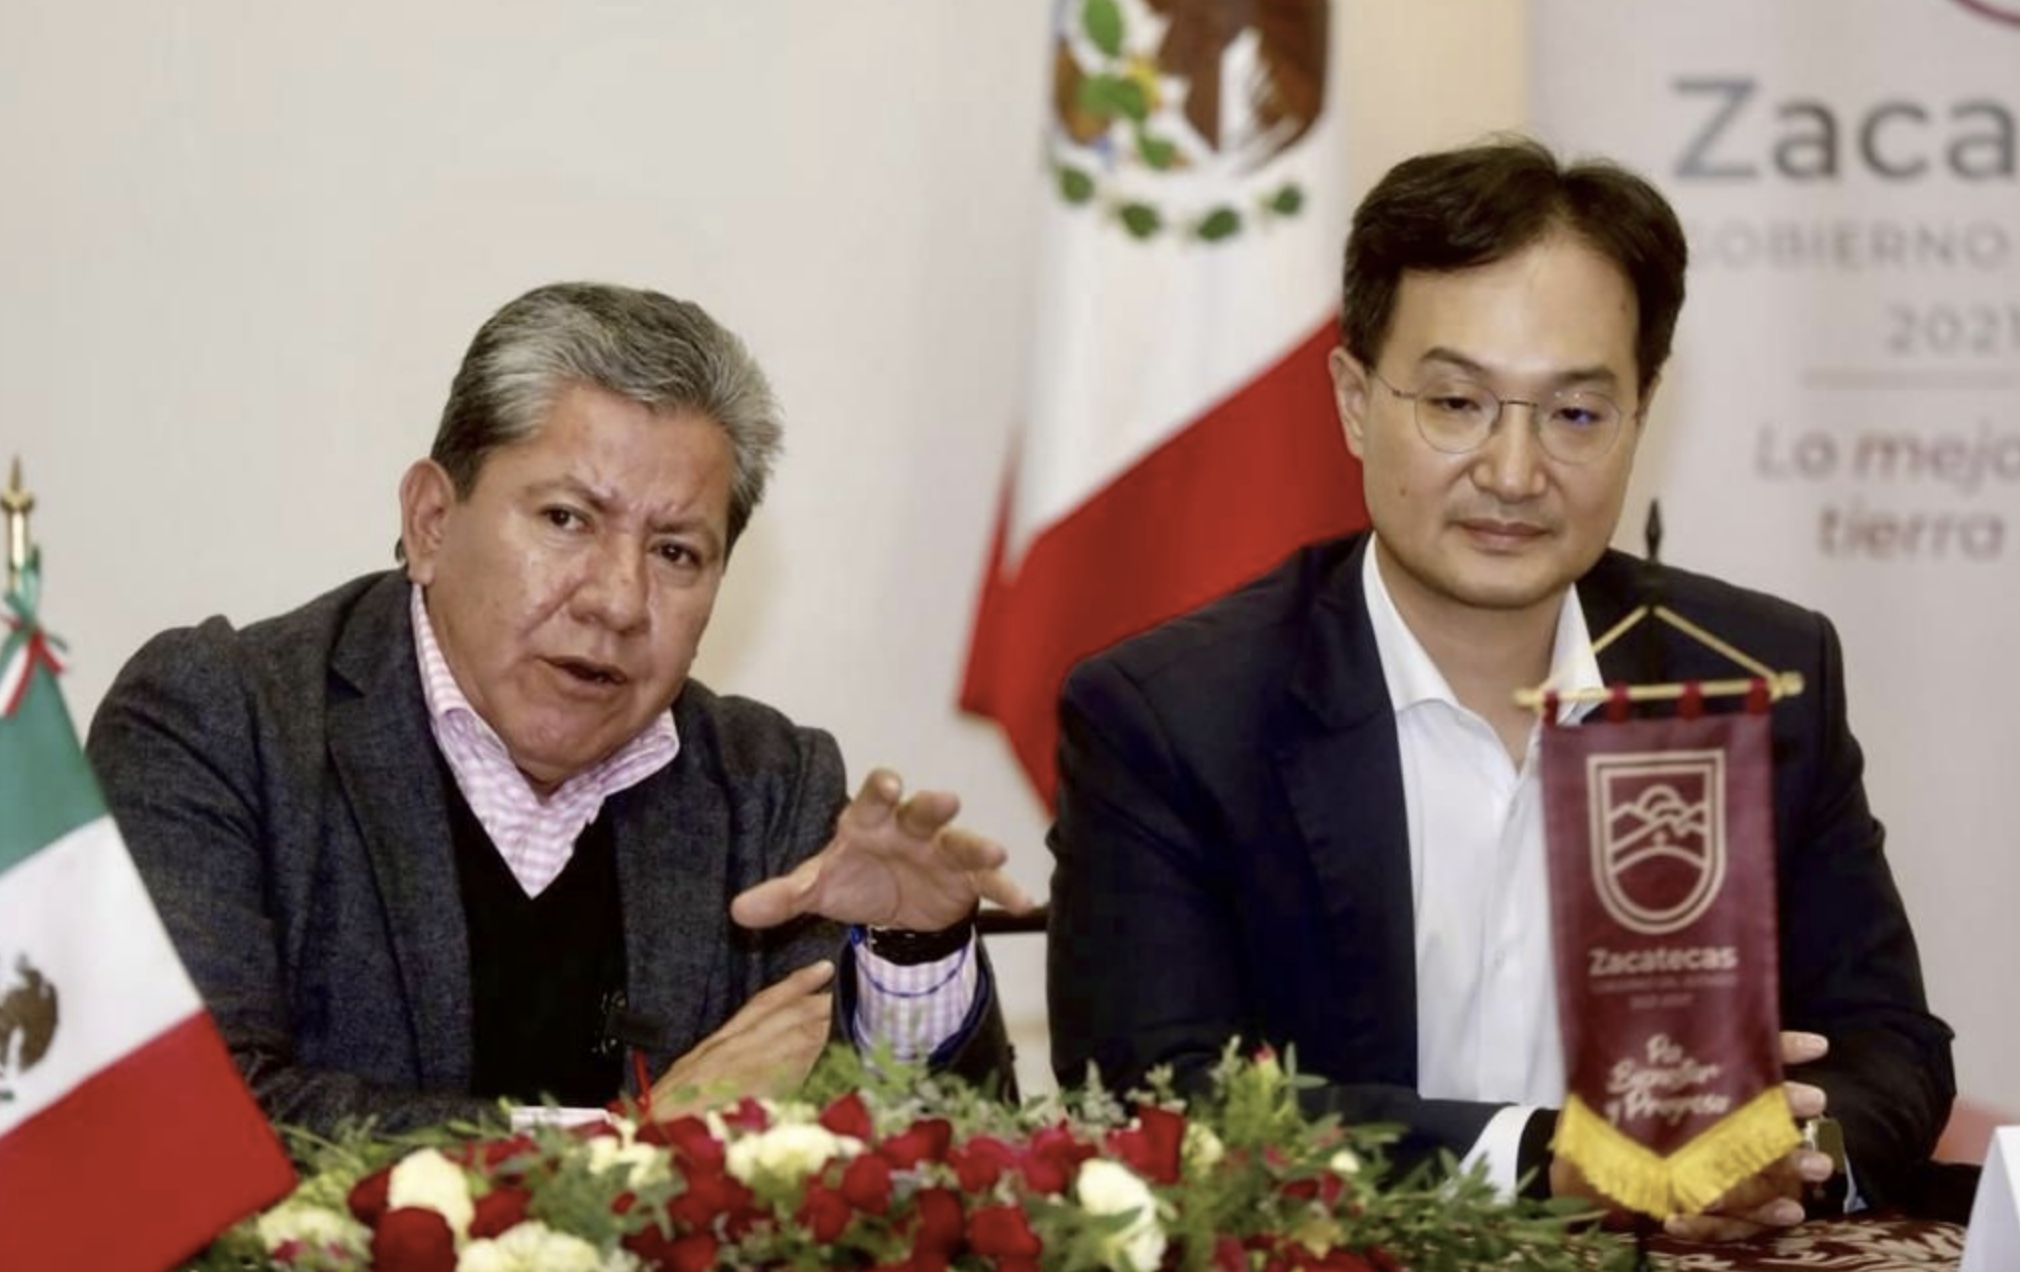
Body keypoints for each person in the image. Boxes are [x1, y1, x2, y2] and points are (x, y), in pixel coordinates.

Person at [1045, 138, 1954, 1241]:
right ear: (1353, 401)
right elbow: (1159, 1101)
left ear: (1640, 412)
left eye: (1575, 414)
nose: (1515, 473)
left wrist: (1782, 1156)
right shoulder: (1175, 717)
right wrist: (1550, 1167)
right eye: (1456, 402)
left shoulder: (1753, 674)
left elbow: (1888, 1043)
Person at [88, 282, 1033, 1137]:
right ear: (431, 521)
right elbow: (195, 1125)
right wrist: (638, 1139)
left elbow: (919, 1182)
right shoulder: (221, 724)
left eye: (675, 552)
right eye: (566, 520)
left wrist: (913, 955)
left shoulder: (771, 787)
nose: (617, 601)